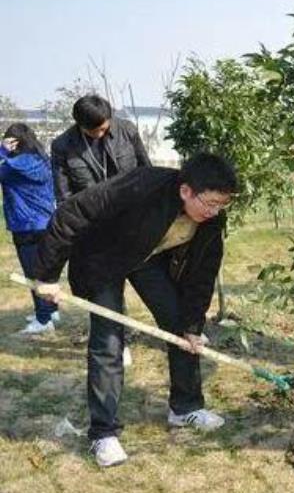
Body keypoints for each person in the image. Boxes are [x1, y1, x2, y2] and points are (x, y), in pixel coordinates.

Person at [34, 153, 237, 468]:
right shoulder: (142, 185)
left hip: (145, 258)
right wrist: (47, 276)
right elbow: (72, 212)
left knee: (180, 328)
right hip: (101, 258)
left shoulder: (212, 221)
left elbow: (202, 275)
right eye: (209, 203)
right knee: (109, 340)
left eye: (222, 205)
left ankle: (185, 408)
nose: (214, 212)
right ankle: (104, 433)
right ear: (186, 190)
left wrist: (193, 325)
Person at [51, 94, 152, 364]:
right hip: (95, 233)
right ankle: (116, 343)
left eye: (106, 127)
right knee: (106, 293)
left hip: (133, 225)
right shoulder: (62, 146)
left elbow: (146, 170)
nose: (102, 133)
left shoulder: (126, 130)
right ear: (80, 126)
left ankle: (186, 332)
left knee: (155, 282)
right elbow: (65, 197)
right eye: (95, 130)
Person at [1, 124, 59, 334]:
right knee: (46, 271)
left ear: (14, 143)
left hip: (25, 225)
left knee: (33, 274)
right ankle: (51, 310)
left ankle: (43, 320)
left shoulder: (11, 167)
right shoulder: (43, 161)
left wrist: (2, 150)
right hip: (47, 223)